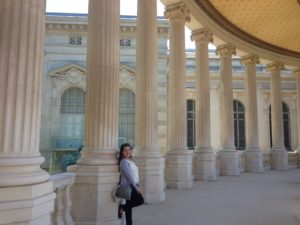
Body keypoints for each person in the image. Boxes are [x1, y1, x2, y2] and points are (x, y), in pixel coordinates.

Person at [118, 143, 144, 225]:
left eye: (129, 150)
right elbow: (129, 176)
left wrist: (137, 184)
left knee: (129, 206)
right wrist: (137, 188)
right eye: (125, 150)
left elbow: (134, 175)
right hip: (128, 187)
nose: (127, 152)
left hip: (133, 186)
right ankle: (123, 207)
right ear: (122, 152)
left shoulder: (130, 161)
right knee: (140, 200)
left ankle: (123, 207)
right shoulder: (124, 162)